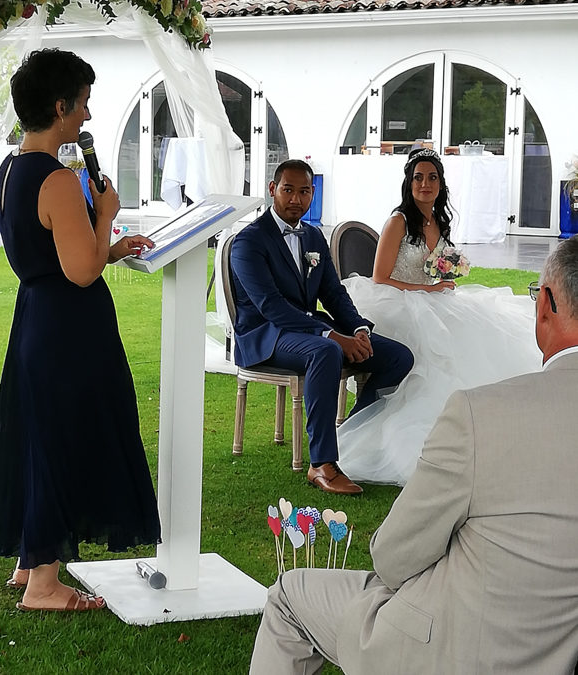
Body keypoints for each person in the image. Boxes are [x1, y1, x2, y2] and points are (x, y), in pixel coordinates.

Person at [250, 234, 578, 675]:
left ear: (545, 307)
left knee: (289, 596)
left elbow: (393, 555)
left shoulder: (479, 414)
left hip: (453, 648)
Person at [0, 49, 161, 612]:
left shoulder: (10, 169)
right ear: (61, 106)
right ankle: (44, 585)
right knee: (64, 437)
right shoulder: (59, 181)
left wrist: (108, 249)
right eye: (84, 104)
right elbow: (80, 271)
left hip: (37, 316)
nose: (87, 116)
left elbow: (55, 256)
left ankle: (29, 559)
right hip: (68, 327)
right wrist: (108, 213)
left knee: (41, 436)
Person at [336, 148, 541, 485]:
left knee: (477, 332)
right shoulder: (398, 222)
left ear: (441, 184)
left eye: (432, 177)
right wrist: (428, 291)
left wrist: (442, 278)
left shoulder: (438, 221)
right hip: (394, 303)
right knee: (433, 351)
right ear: (409, 183)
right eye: (419, 177)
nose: (425, 184)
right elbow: (380, 278)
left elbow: (432, 271)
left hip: (428, 299)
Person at [230, 159, 413, 495]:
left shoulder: (313, 236)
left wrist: (358, 329)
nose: (296, 199)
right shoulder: (249, 241)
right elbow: (270, 306)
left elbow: (333, 293)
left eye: (304, 191)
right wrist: (331, 335)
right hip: (266, 335)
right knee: (326, 351)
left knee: (398, 357)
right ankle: (322, 464)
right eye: (288, 190)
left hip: (306, 332)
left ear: (313, 193)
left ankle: (355, 433)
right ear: (273, 190)